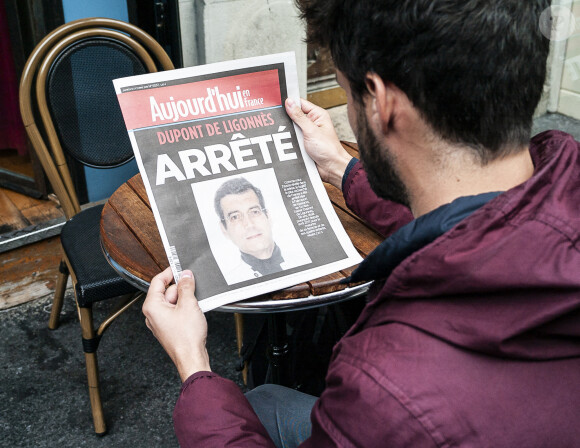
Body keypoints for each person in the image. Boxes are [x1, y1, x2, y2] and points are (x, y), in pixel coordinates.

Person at [143, 0, 580, 446]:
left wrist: (192, 361)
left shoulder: (382, 388)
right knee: (266, 402)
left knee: (243, 403)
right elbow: (475, 214)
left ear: (382, 102)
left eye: (347, 94)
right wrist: (339, 165)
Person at [213, 177, 288, 282]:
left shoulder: (305, 259)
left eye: (254, 212)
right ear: (224, 230)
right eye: (235, 217)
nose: (249, 224)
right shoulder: (230, 281)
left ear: (268, 216)